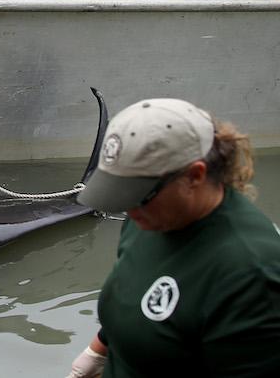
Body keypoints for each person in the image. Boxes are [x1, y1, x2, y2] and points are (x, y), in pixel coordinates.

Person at [67, 99, 280, 378]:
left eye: (138, 195)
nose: (128, 209)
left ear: (194, 175)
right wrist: (98, 350)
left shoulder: (251, 274)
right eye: (121, 193)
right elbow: (136, 296)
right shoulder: (149, 216)